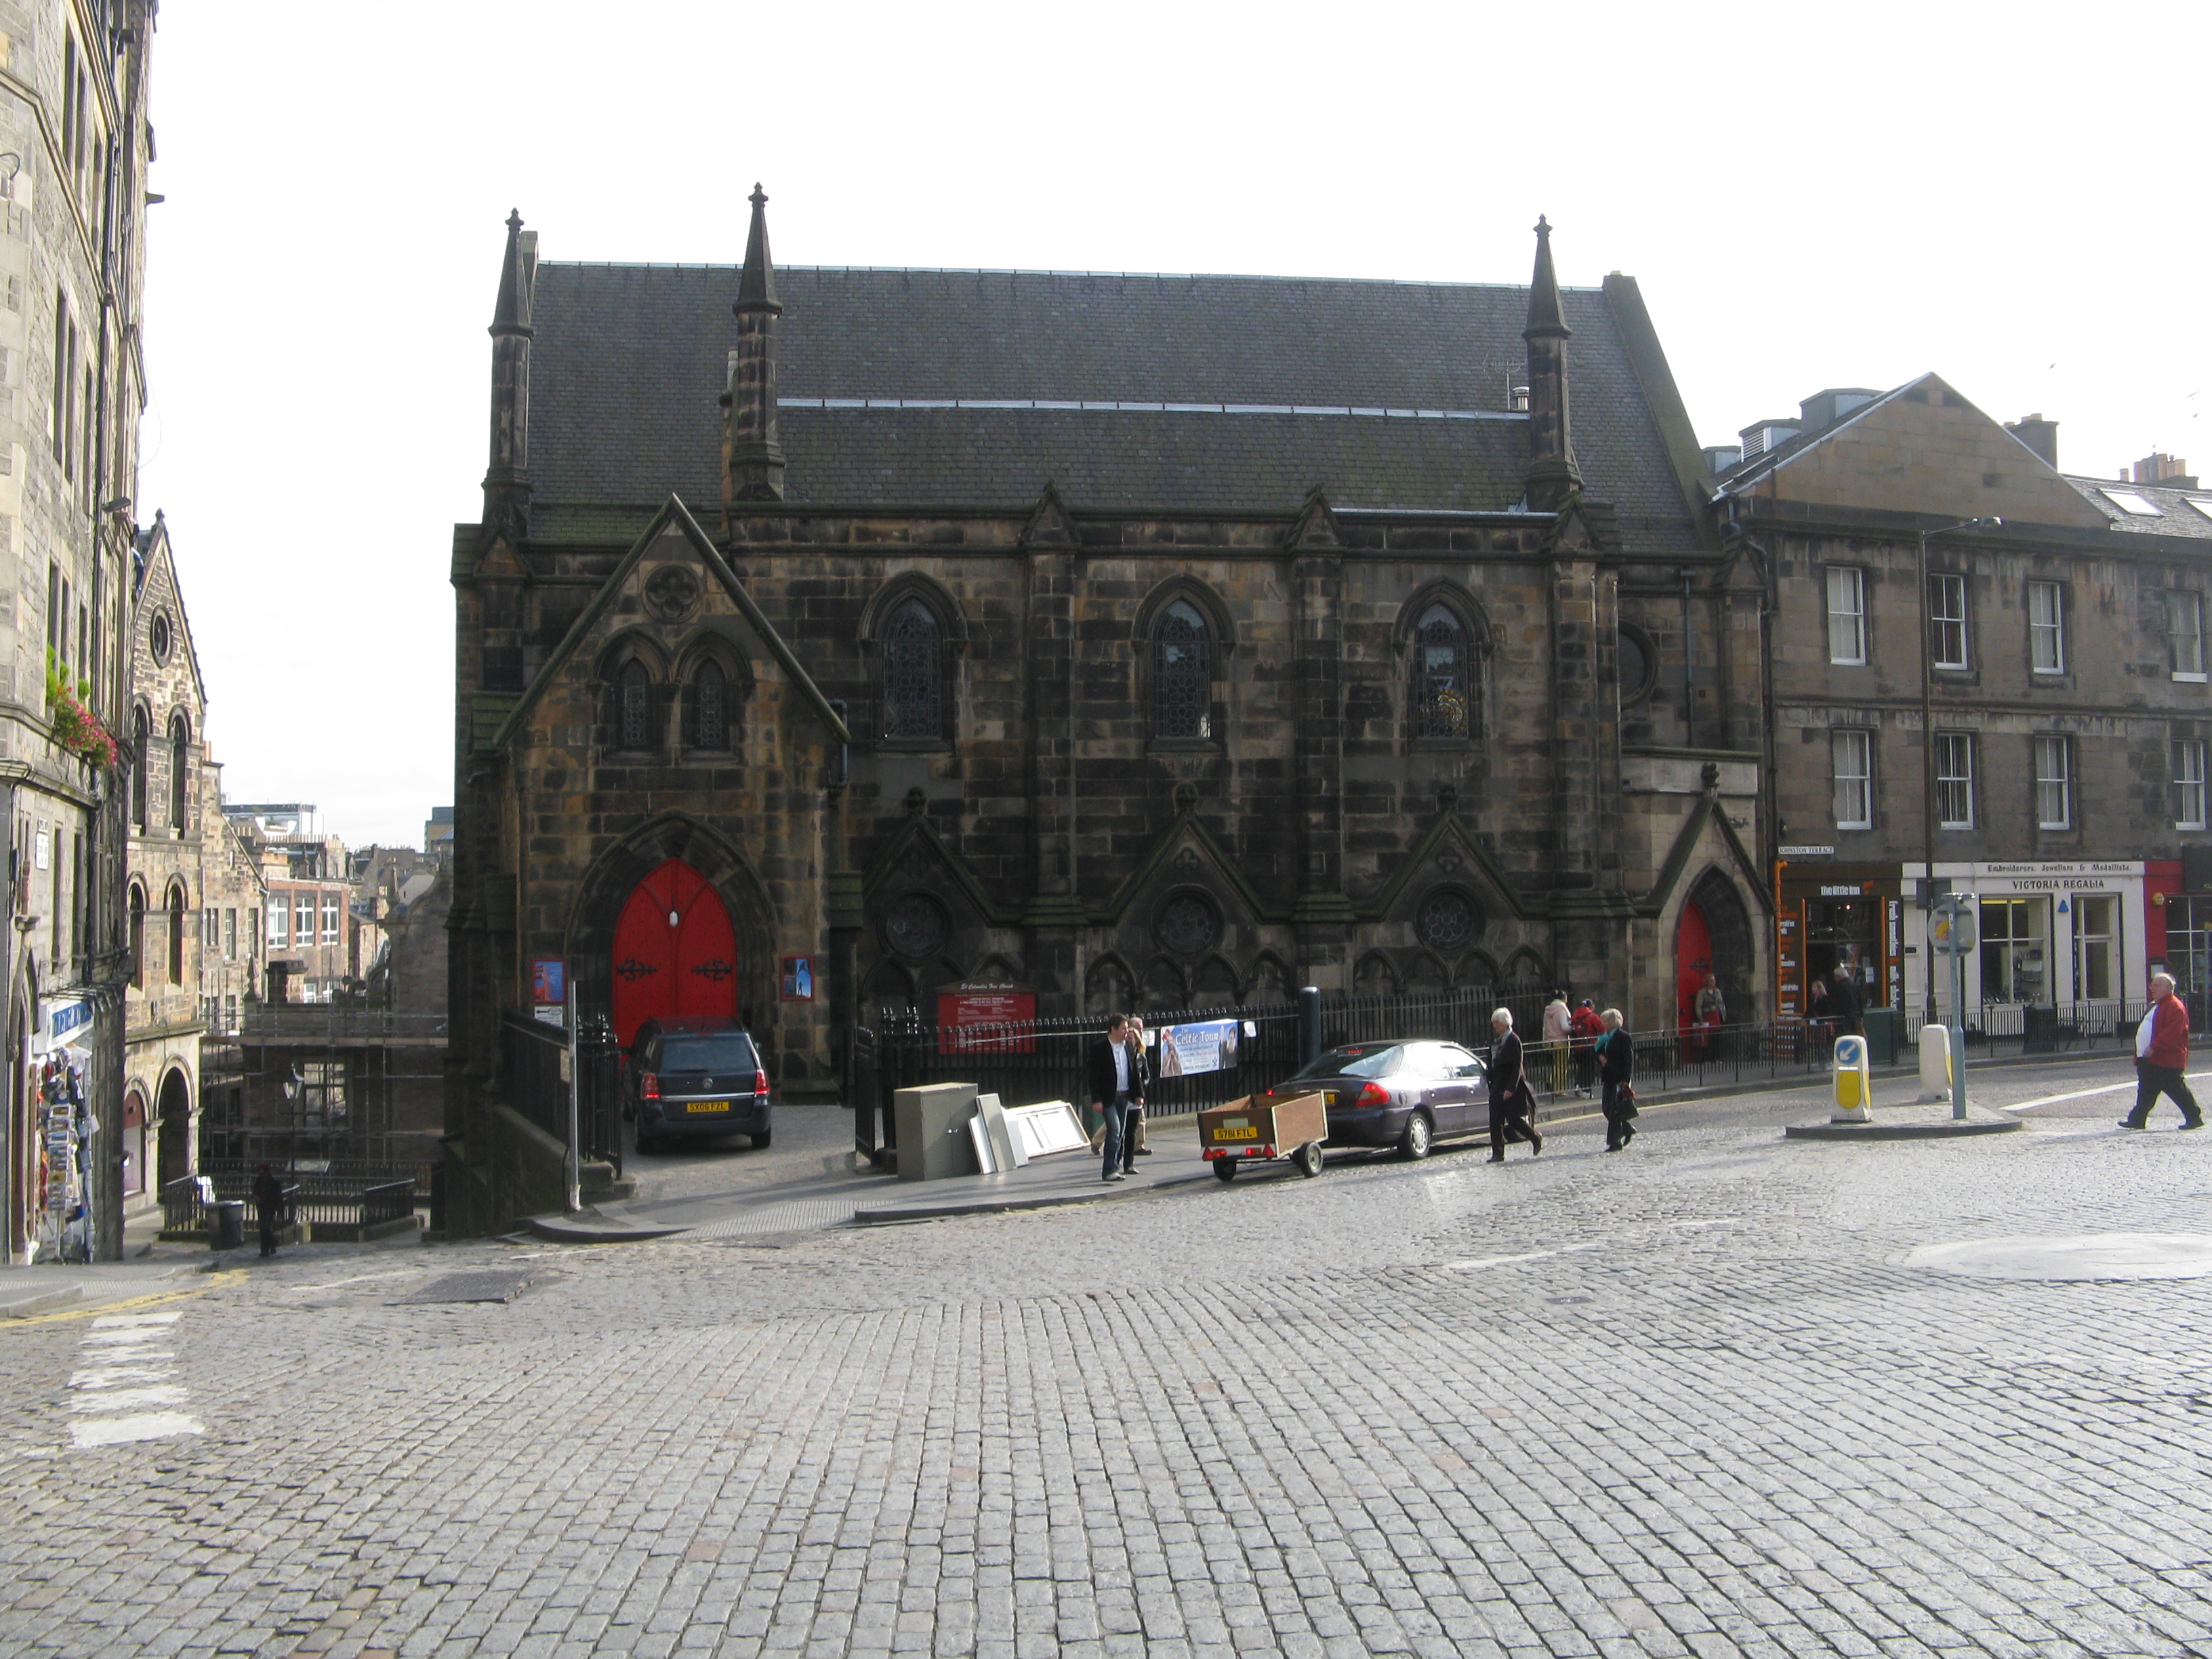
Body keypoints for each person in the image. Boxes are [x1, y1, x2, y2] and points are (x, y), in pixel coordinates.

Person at [2121, 972, 2203, 1131]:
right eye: (2152, 985)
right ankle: (2137, 1119)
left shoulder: (2174, 1006)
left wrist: (2155, 1047)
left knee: (2176, 1089)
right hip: (2150, 1058)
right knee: (2147, 1090)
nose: (2152, 988)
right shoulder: (2156, 1005)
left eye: (2157, 985)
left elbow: (2172, 1032)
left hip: (2165, 1058)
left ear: (2169, 988)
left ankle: (2194, 1117)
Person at [1086, 1013, 1147, 1181]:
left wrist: (1138, 1094)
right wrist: (1096, 1100)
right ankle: (1109, 1171)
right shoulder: (1099, 1048)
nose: (1127, 1032)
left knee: (1119, 1134)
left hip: (1124, 1095)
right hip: (1108, 1097)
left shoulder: (1128, 1046)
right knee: (1115, 1130)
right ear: (1113, 1029)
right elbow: (1093, 1076)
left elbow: (1134, 1072)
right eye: (1123, 1028)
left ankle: (1114, 1167)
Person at [1486, 1007, 1541, 1162]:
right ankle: (1498, 1153)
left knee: (1513, 1120)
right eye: (1494, 1023)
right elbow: (1492, 1062)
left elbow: (1517, 1067)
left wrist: (1510, 1089)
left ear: (1505, 1023)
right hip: (1496, 1085)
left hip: (1509, 1086)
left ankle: (1535, 1137)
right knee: (1495, 1122)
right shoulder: (1496, 1041)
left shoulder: (1513, 1041)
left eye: (1497, 1022)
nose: (1495, 1026)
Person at [1597, 1008, 1637, 1151]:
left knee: (1614, 1110)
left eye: (1604, 1021)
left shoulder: (1623, 1037)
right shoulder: (1606, 1037)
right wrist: (1600, 1057)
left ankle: (1615, 1143)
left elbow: (1629, 1059)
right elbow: (1598, 1051)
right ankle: (1626, 1128)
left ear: (1612, 1022)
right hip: (1609, 1076)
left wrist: (1626, 1079)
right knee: (1607, 1108)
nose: (1602, 1024)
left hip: (1619, 1077)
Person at [1569, 998, 1605, 1097]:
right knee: (1589, 1069)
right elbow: (1602, 1029)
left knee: (1581, 1068)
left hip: (1576, 1047)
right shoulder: (1592, 1016)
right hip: (1589, 1046)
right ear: (1591, 1007)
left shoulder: (1575, 1017)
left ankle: (1578, 1086)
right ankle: (1586, 1091)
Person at [253, 1162, 286, 1258]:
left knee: (266, 1227)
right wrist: (256, 1197)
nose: (262, 1176)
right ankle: (265, 1249)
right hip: (261, 1207)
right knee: (262, 1228)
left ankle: (272, 1243)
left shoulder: (275, 1182)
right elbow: (255, 1191)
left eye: (263, 1173)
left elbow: (279, 1197)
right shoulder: (259, 1181)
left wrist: (280, 1210)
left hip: (270, 1207)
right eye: (260, 1174)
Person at [1542, 990, 1572, 1094]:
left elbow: (1545, 1028)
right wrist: (1572, 1029)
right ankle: (1559, 1089)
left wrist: (1544, 1040)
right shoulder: (1561, 1010)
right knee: (1562, 1066)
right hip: (1561, 1041)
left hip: (1550, 1040)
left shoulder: (1548, 1011)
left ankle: (1551, 1081)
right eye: (1566, 999)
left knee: (1555, 1064)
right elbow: (1565, 1027)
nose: (1567, 1001)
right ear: (1563, 999)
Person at [1826, 966, 1863, 1039]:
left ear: (1839, 977)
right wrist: (1860, 1014)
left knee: (1843, 1037)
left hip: (1843, 1018)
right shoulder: (1854, 985)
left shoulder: (1839, 987)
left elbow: (1835, 1003)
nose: (1834, 979)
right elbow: (1860, 1000)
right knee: (1854, 1037)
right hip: (1855, 1016)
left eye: (1835, 977)